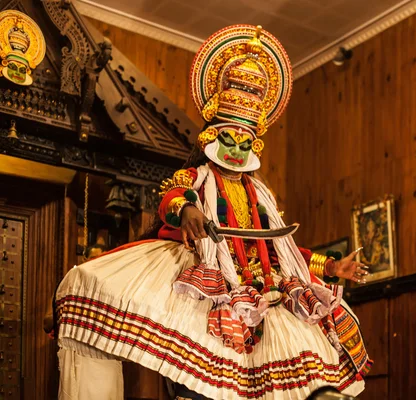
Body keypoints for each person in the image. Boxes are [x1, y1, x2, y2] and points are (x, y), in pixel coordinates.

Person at [55, 24, 371, 400]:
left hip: (262, 295)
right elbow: (172, 196)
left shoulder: (260, 194)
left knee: (308, 367)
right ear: (211, 137)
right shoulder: (195, 177)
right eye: (229, 138)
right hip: (208, 288)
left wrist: (332, 268)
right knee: (201, 382)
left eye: (245, 141)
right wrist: (187, 208)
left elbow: (280, 251)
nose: (237, 149)